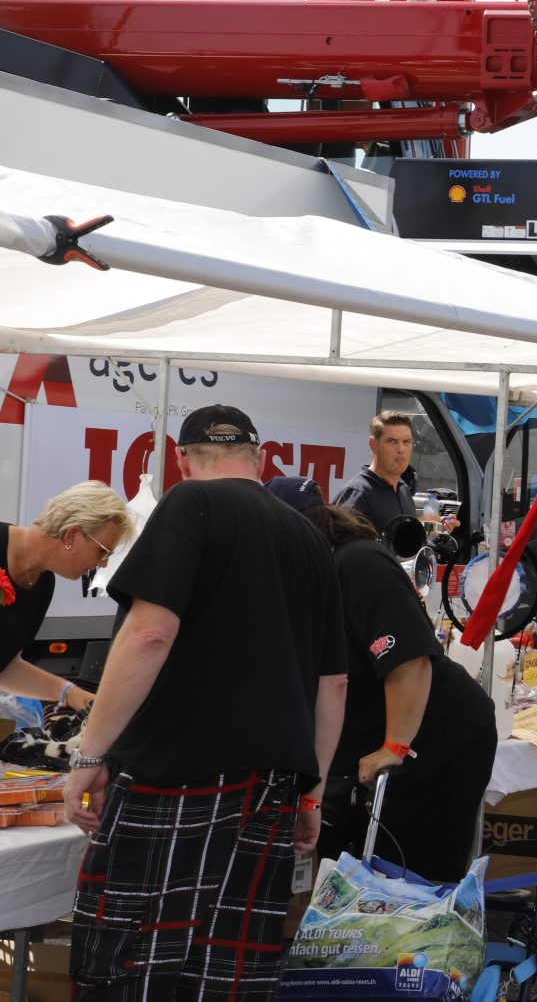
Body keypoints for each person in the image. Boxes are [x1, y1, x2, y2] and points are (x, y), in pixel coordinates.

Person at [66, 405, 347, 1000]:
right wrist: (312, 793)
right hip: (271, 784)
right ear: (259, 458)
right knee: (225, 978)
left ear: (181, 458)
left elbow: (149, 634)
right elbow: (333, 685)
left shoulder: (191, 503)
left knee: (136, 968)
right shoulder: (308, 537)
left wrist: (89, 752)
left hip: (176, 777)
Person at [270, 475, 497, 884]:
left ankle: (421, 923)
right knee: (355, 873)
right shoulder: (312, 574)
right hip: (373, 737)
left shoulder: (358, 563)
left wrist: (394, 746)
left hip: (440, 735)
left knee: (410, 877)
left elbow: (409, 661)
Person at [1, 482, 131, 715]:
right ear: (72, 534)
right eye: (102, 551)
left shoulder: (43, 585)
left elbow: (3, 665)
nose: (103, 564)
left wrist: (69, 692)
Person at [332, 409, 456, 536]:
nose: (401, 449)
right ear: (373, 445)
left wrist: (427, 529)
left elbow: (401, 542)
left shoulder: (403, 490)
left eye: (406, 441)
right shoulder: (357, 494)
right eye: (392, 441)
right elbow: (352, 548)